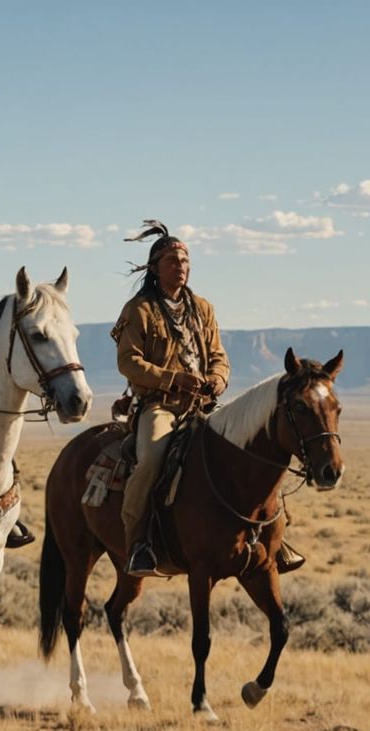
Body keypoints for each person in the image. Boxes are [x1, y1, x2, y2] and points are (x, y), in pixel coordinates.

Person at [112, 221, 231, 577]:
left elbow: (219, 356)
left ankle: (264, 535)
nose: (181, 266)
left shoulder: (204, 309)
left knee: (246, 445)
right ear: (154, 268)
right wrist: (172, 378)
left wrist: (216, 380)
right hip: (160, 406)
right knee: (150, 459)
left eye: (185, 260)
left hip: (203, 405)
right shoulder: (140, 310)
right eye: (172, 260)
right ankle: (137, 544)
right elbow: (128, 361)